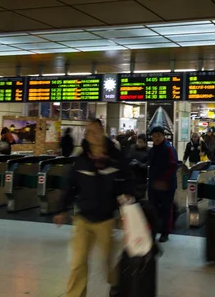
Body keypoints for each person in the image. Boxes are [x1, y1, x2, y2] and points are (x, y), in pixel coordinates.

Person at [54, 119, 135, 297]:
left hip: (105, 218)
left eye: (96, 131)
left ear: (103, 131)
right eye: (89, 132)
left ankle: (115, 285)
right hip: (82, 217)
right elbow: (70, 185)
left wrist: (127, 195)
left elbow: (129, 178)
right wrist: (61, 209)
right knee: (78, 262)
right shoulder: (81, 158)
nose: (93, 135)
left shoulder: (115, 157)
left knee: (107, 260)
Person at [147, 126, 178, 243]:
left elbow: (173, 165)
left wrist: (163, 181)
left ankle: (165, 232)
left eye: (158, 135)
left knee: (166, 209)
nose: (156, 138)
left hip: (166, 186)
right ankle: (153, 231)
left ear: (163, 136)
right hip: (153, 185)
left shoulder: (168, 148)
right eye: (154, 136)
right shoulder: (153, 149)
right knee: (153, 208)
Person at [127, 134, 150, 199]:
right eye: (137, 141)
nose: (138, 143)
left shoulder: (148, 151)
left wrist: (139, 164)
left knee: (139, 197)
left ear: (145, 143)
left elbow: (147, 164)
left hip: (141, 179)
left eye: (140, 142)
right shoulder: (132, 148)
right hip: (131, 178)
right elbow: (127, 159)